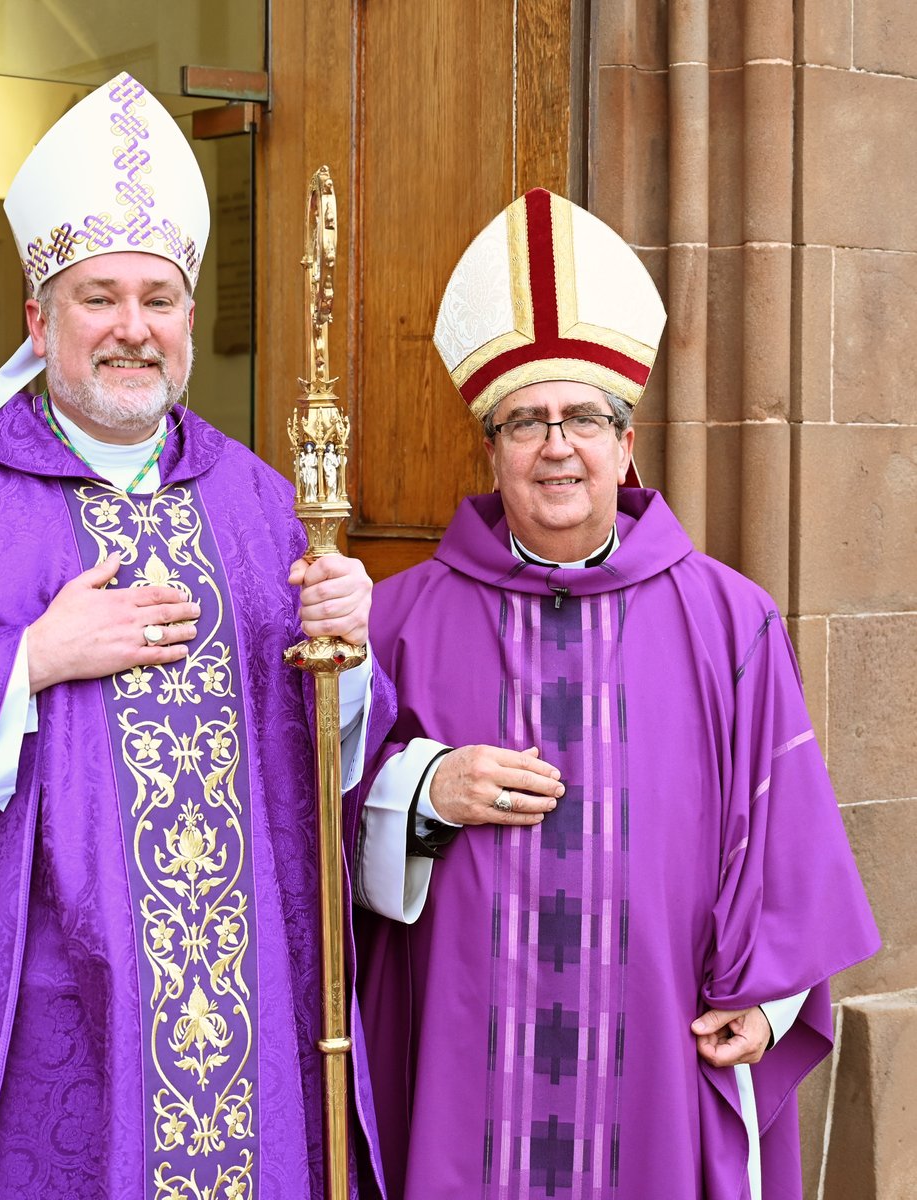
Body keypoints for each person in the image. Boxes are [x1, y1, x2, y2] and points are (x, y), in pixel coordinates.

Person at [0, 73, 391, 1200]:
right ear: (37, 317)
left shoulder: (260, 504)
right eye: (99, 297)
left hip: (239, 997)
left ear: (191, 317)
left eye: (159, 298)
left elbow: (320, 761)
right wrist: (26, 663)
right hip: (39, 1011)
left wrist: (347, 653)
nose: (132, 330)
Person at [351, 188, 879, 1200]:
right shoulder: (399, 621)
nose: (558, 446)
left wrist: (770, 1009)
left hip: (658, 1064)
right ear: (490, 447)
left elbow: (791, 848)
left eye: (585, 418)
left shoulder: (731, 622)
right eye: (526, 422)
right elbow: (318, 842)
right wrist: (421, 791)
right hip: (463, 1068)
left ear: (626, 442)